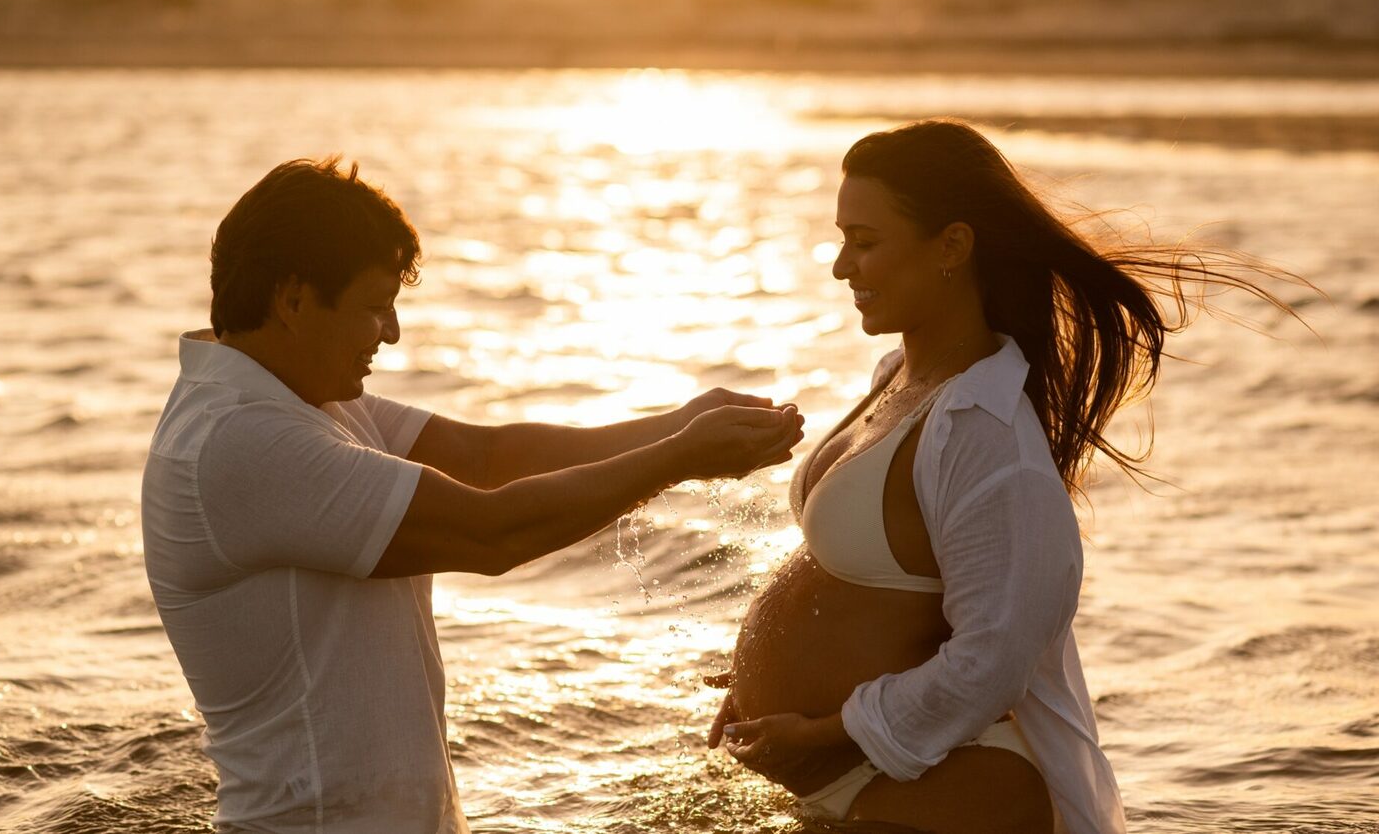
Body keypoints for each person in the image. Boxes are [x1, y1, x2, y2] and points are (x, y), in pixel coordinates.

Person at [141, 157, 804, 833]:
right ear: (293, 300)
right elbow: (493, 532)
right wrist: (684, 455)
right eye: (375, 307)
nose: (393, 333)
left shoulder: (300, 403)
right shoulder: (241, 440)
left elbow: (487, 458)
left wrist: (680, 421)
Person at [703, 120, 1298, 834]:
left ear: (952, 245)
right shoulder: (899, 379)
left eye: (864, 243)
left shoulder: (987, 434)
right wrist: (760, 686)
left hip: (946, 789)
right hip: (858, 777)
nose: (839, 267)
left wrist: (825, 731)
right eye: (842, 239)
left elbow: (992, 660)